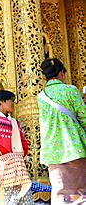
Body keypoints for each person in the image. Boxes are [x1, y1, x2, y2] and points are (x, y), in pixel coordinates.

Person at [38, 58, 86, 204]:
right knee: (81, 195)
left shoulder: (41, 97)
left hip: (52, 153)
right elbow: (83, 118)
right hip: (74, 149)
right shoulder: (71, 90)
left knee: (61, 197)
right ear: (62, 73)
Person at [0, 90, 34, 205]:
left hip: (17, 165)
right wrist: (3, 159)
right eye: (11, 100)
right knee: (6, 199)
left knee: (24, 196)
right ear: (2, 101)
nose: (13, 103)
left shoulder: (15, 122)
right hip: (1, 166)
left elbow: (24, 144)